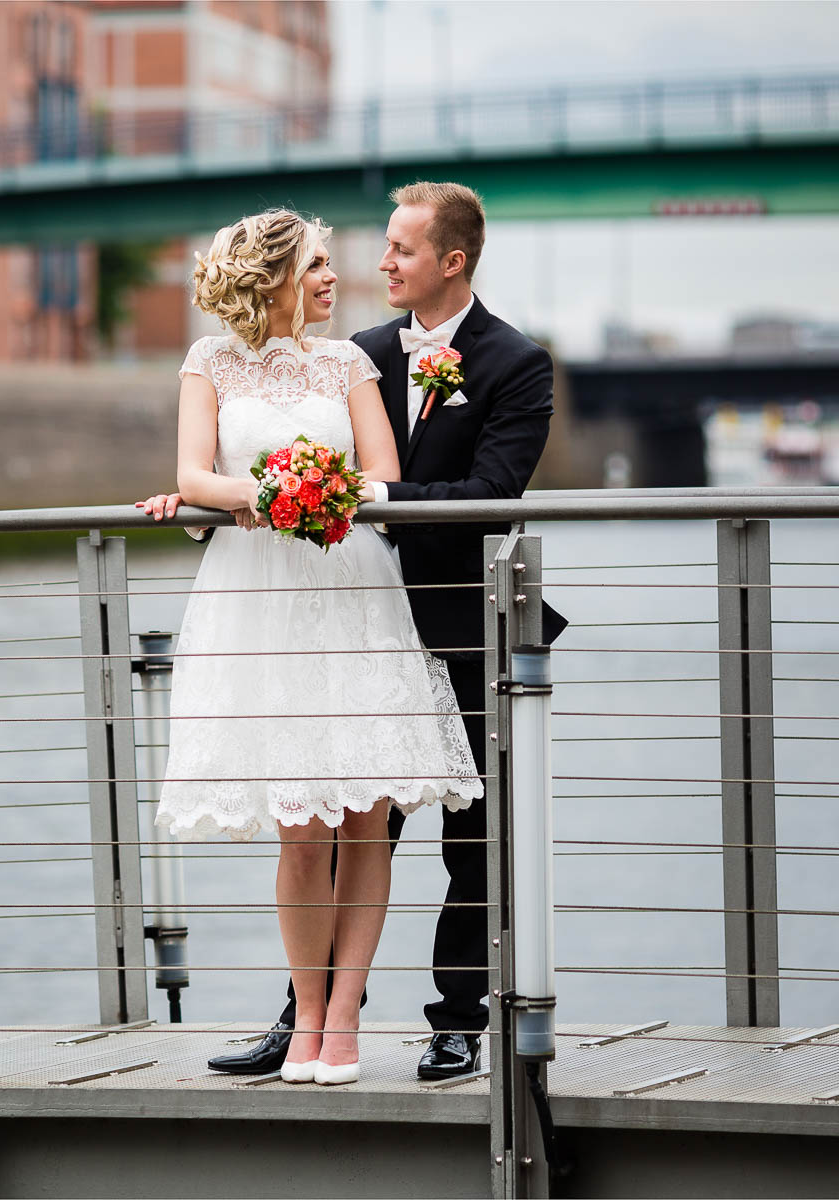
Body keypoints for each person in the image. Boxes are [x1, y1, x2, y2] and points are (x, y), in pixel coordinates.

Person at [140, 181, 566, 1081]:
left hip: (452, 616)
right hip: (318, 608)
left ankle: (457, 1021)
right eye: (367, 249)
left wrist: (351, 497)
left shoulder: (516, 364)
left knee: (468, 838)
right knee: (324, 824)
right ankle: (311, 1019)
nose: (380, 265)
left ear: (450, 261)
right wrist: (205, 499)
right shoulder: (356, 351)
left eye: (400, 250)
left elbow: (490, 494)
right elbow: (225, 454)